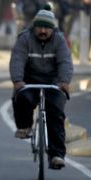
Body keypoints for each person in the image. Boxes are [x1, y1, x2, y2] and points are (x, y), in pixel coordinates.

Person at [9, 9, 73, 170]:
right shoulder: (25, 39)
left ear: (52, 29)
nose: (43, 31)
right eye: (39, 27)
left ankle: (56, 155)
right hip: (29, 81)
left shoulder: (59, 40)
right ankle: (24, 126)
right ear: (34, 27)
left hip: (53, 83)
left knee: (56, 114)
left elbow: (65, 62)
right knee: (21, 98)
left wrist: (64, 81)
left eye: (46, 28)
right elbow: (17, 59)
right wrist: (17, 80)